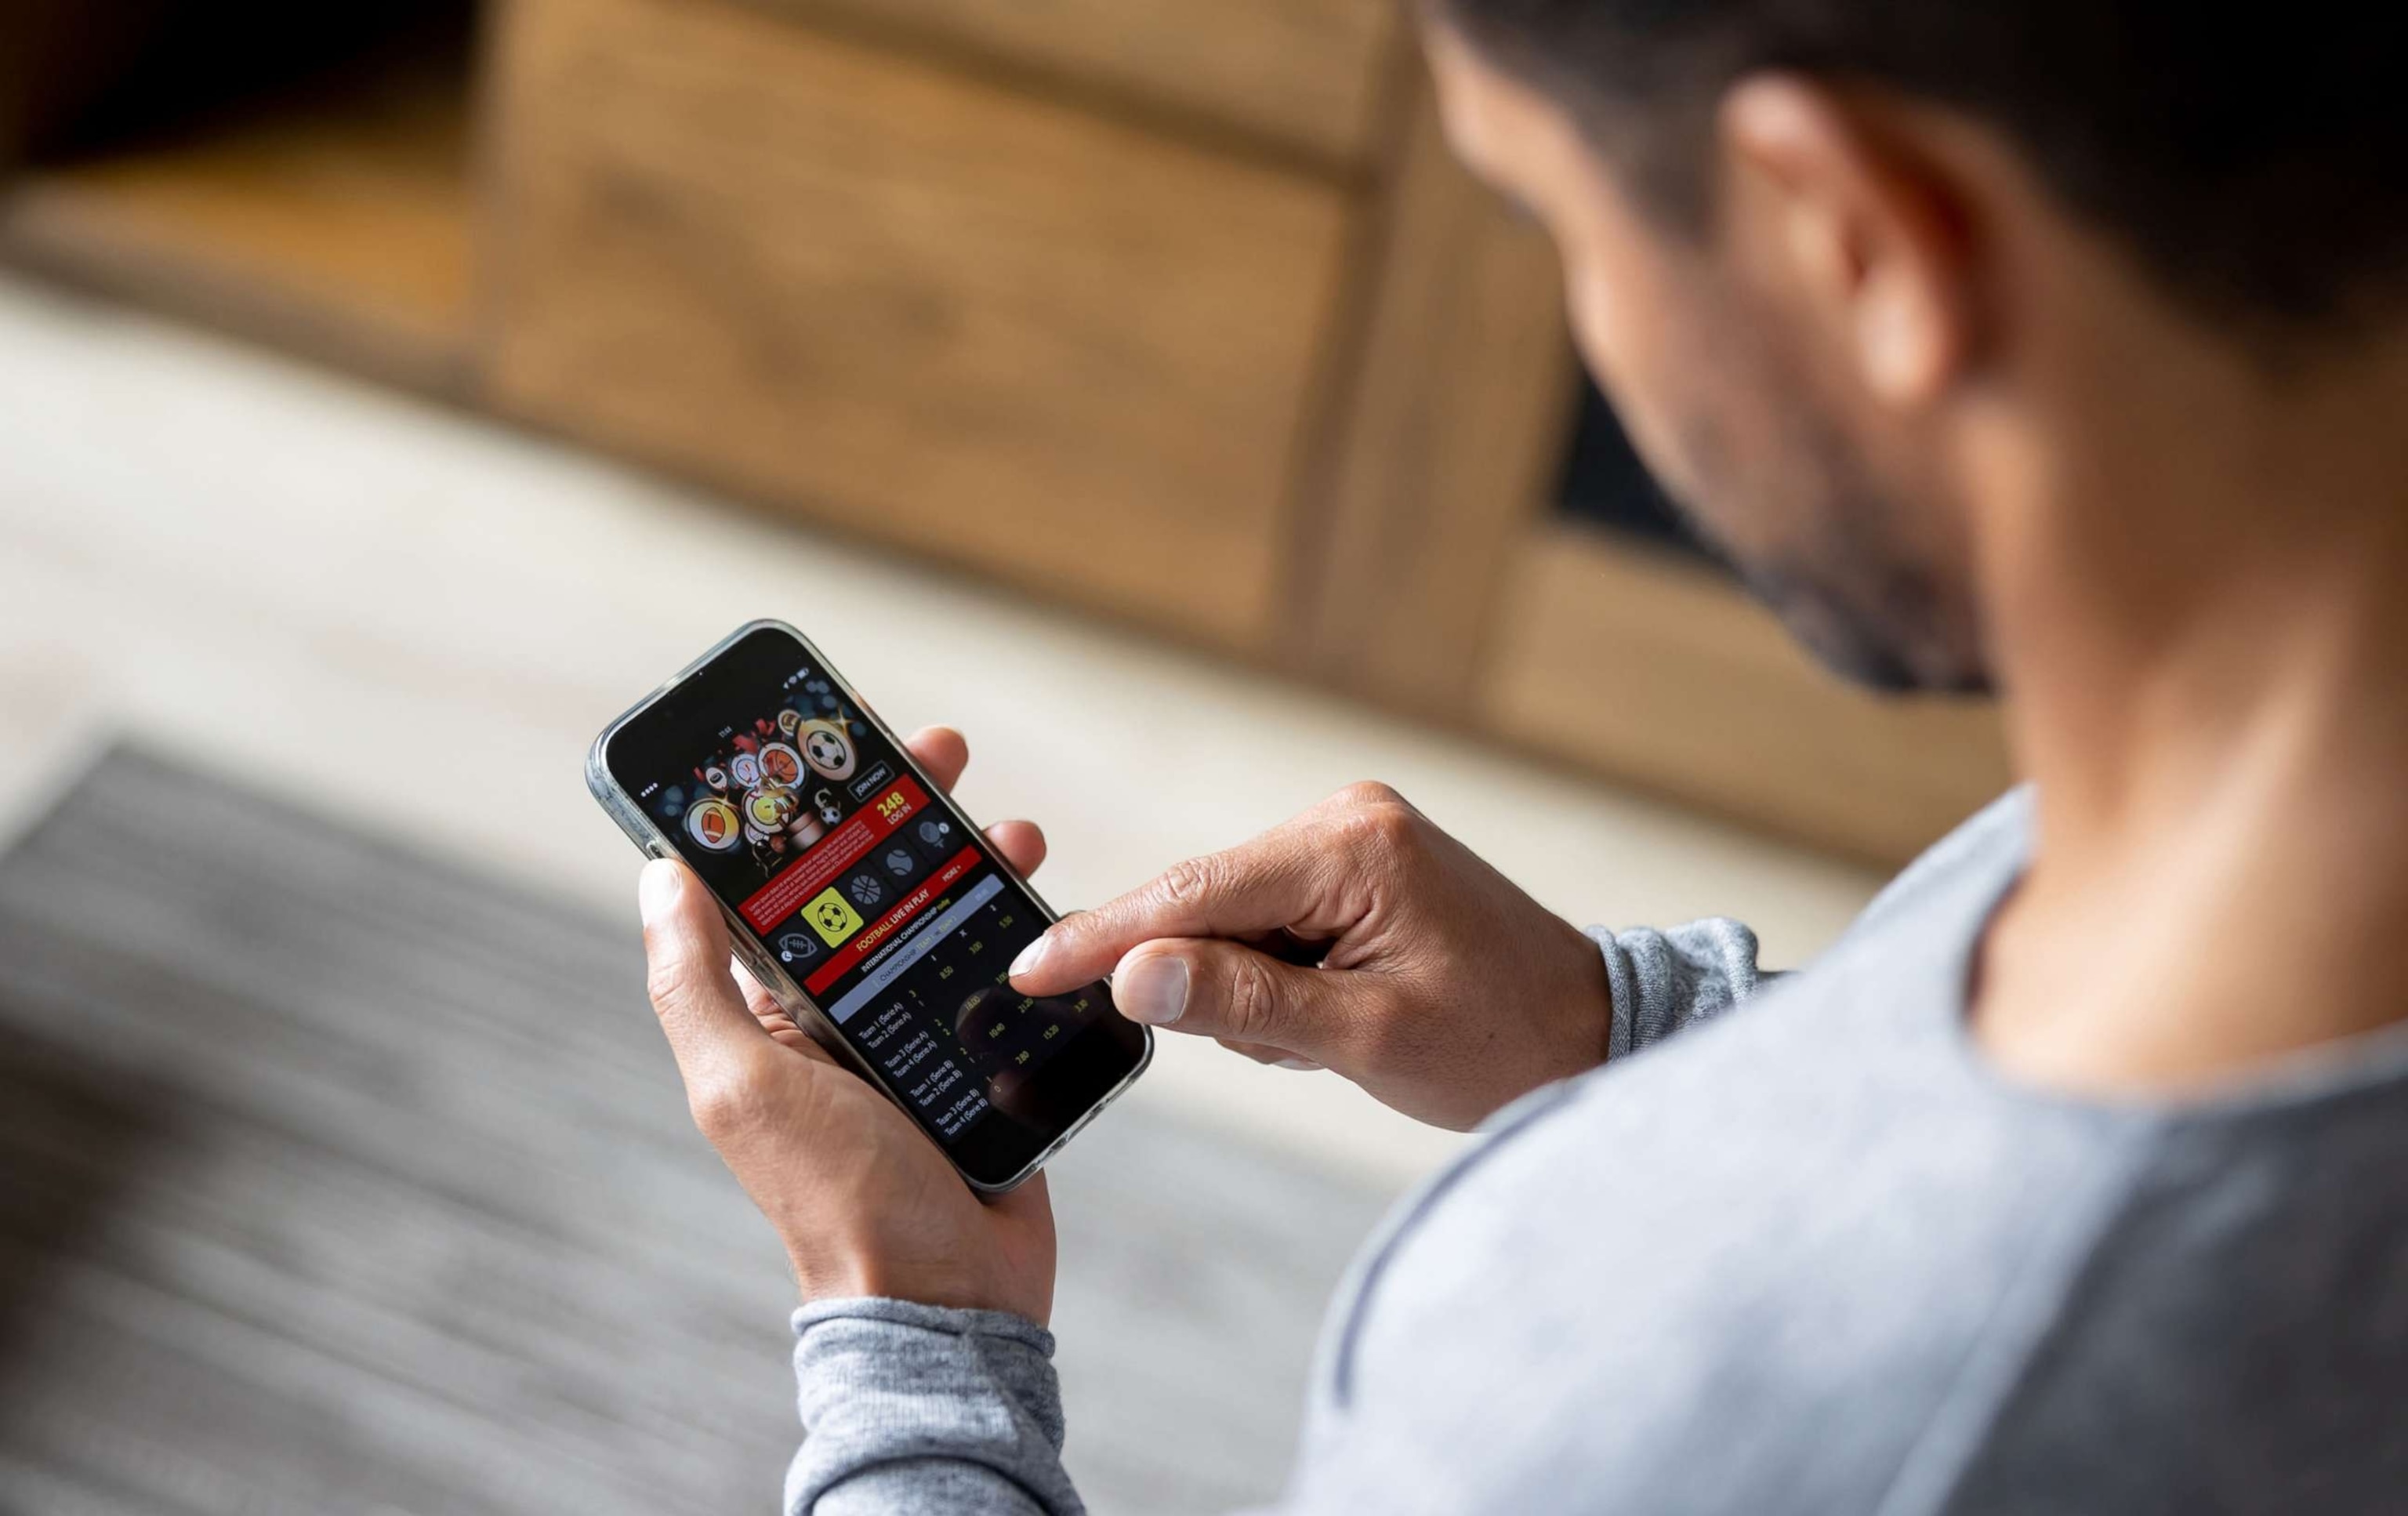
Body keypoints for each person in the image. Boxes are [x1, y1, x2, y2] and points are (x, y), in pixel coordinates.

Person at [632, 0, 2408, 1509]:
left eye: (1543, 213)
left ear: (1849, 233)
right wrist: (1614, 1029)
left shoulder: (1633, 1417)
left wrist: (915, 1337)